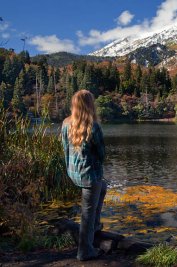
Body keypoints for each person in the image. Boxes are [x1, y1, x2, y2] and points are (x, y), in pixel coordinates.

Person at [61, 89, 107, 261]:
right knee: (86, 214)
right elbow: (102, 154)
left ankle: (95, 226)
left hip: (74, 173)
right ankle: (85, 251)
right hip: (89, 176)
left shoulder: (66, 123)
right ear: (90, 105)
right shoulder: (93, 126)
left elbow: (65, 148)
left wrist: (70, 168)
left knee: (103, 187)